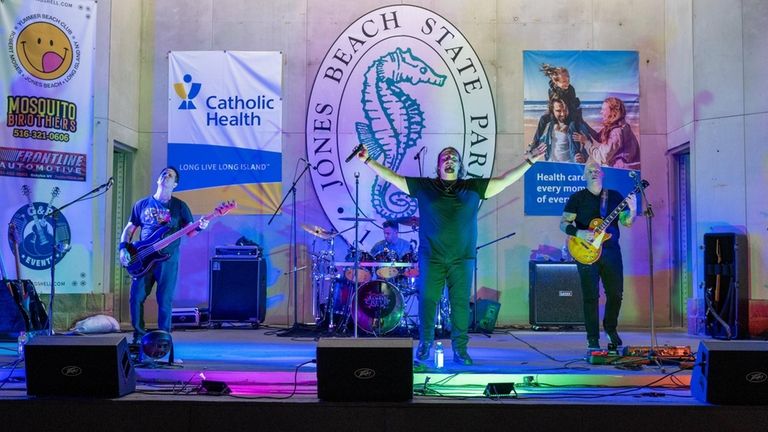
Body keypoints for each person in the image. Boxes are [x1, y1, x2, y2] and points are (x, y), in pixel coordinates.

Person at [358, 145, 544, 365]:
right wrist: (369, 160)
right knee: (427, 300)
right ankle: (425, 344)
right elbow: (393, 178)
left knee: (460, 305)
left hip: (462, 258)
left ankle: (460, 349)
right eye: (445, 157)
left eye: (454, 157)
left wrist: (529, 162)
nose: (450, 160)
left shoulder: (473, 187)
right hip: (432, 257)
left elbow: (504, 180)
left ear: (460, 164)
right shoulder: (425, 186)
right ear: (438, 165)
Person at [118, 167, 209, 343]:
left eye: (171, 175)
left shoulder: (179, 207)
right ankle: (138, 336)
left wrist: (200, 226)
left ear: (175, 184)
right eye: (164, 173)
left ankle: (163, 340)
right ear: (158, 180)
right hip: (142, 256)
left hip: (167, 259)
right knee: (136, 297)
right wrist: (123, 248)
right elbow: (130, 228)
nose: (166, 176)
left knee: (164, 300)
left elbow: (190, 232)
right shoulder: (142, 204)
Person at [559, 161, 636, 352]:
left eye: (597, 170)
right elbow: (563, 223)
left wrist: (633, 210)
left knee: (616, 294)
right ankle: (592, 338)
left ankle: (610, 328)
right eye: (589, 171)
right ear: (584, 176)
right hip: (585, 252)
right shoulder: (577, 198)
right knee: (590, 297)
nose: (594, 173)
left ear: (602, 175)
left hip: (611, 252)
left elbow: (626, 222)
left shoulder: (615, 196)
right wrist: (579, 233)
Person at [573, 97, 640, 170]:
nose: (601, 112)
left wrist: (586, 142)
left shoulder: (616, 132)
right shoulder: (622, 125)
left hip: (621, 172)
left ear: (613, 112)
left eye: (604, 110)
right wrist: (583, 123)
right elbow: (599, 137)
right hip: (629, 171)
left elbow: (601, 157)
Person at [531, 64, 583, 146]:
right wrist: (555, 123)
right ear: (556, 82)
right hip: (558, 110)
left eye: (568, 80)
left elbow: (572, 108)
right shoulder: (551, 91)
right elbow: (552, 108)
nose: (567, 83)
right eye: (564, 82)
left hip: (570, 109)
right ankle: (535, 142)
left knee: (573, 124)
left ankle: (576, 150)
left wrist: (566, 124)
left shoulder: (571, 90)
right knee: (543, 118)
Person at [529, 97, 589, 163]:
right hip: (551, 165)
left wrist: (583, 156)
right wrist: (532, 151)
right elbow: (538, 140)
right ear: (552, 111)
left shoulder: (575, 125)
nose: (562, 114)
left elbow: (588, 140)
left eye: (565, 110)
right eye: (558, 111)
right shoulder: (548, 125)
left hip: (570, 166)